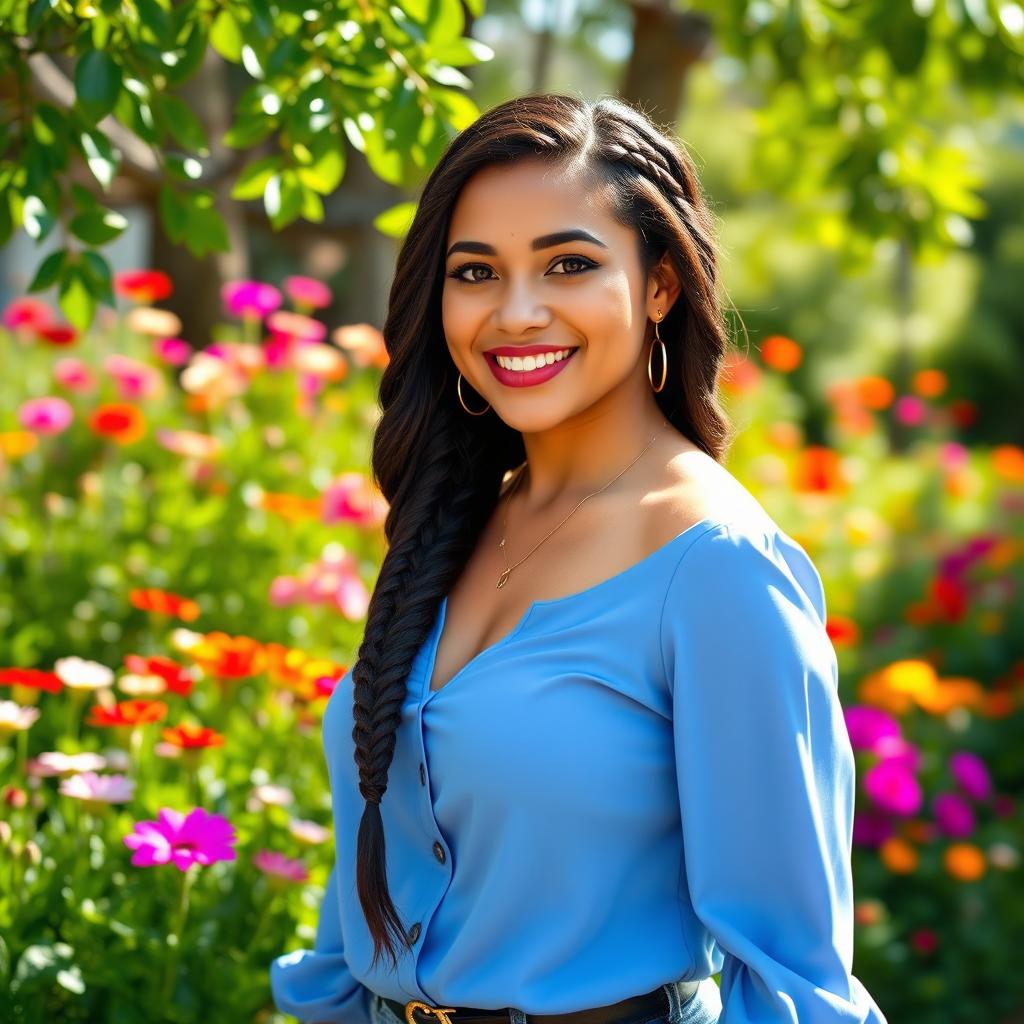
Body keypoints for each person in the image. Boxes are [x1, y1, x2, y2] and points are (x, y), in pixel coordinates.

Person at [269, 92, 889, 1024]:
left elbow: (795, 978)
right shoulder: (458, 519)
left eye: (569, 263)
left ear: (660, 285)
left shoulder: (718, 568)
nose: (516, 313)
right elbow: (374, 871)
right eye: (475, 272)